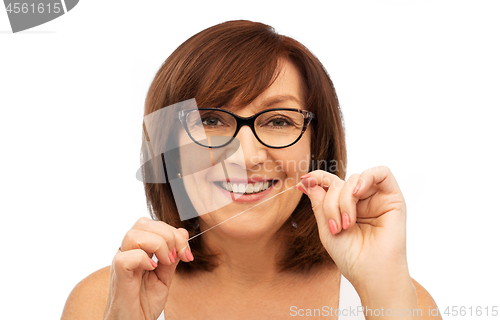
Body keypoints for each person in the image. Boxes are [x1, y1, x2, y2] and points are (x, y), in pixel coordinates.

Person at [61, 20, 442, 320]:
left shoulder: (400, 301)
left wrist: (387, 299)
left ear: (316, 147)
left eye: (278, 121)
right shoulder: (104, 303)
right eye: (210, 120)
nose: (246, 155)